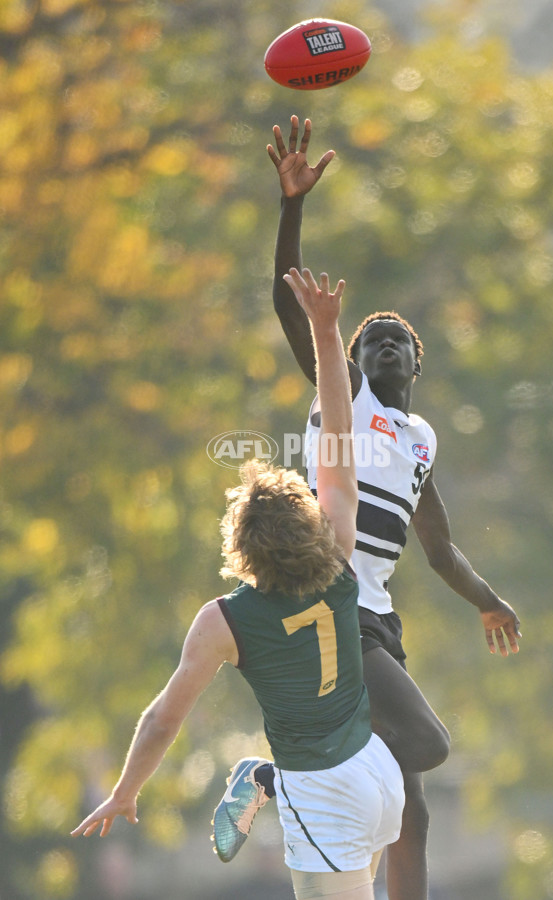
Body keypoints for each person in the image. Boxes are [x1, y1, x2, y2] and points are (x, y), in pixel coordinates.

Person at [215, 117, 522, 900]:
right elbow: (290, 305)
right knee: (424, 743)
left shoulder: (420, 437)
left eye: (398, 340)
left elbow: (440, 548)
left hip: (380, 615)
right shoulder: (341, 395)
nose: (383, 343)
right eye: (371, 337)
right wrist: (291, 209)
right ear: (349, 359)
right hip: (333, 603)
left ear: (419, 360)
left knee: (410, 801)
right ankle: (275, 779)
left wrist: (488, 601)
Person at [72, 267, 407, 900]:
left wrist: (125, 791)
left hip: (323, 797)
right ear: (308, 518)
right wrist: (327, 329)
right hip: (377, 775)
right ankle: (264, 778)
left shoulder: (223, 621)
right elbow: (337, 435)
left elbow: (164, 720)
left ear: (240, 545)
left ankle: (267, 778)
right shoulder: (339, 552)